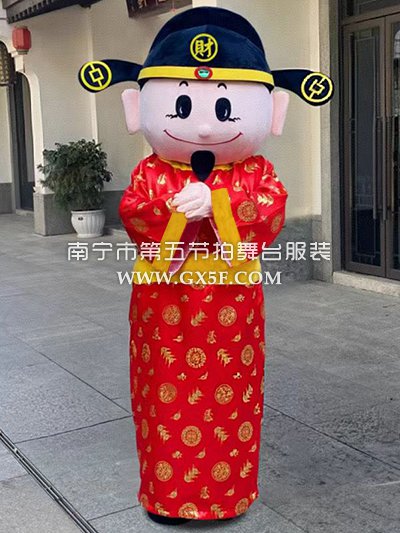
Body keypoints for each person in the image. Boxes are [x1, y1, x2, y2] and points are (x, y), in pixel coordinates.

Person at [78, 6, 334, 526]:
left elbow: (270, 211)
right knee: (164, 401)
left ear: (275, 113)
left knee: (230, 402)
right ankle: (167, 498)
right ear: (136, 109)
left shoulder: (257, 172)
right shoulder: (151, 172)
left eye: (223, 107)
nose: (201, 124)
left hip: (230, 315)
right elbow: (134, 213)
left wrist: (218, 204)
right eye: (181, 105)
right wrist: (176, 210)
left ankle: (225, 495)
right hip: (163, 314)